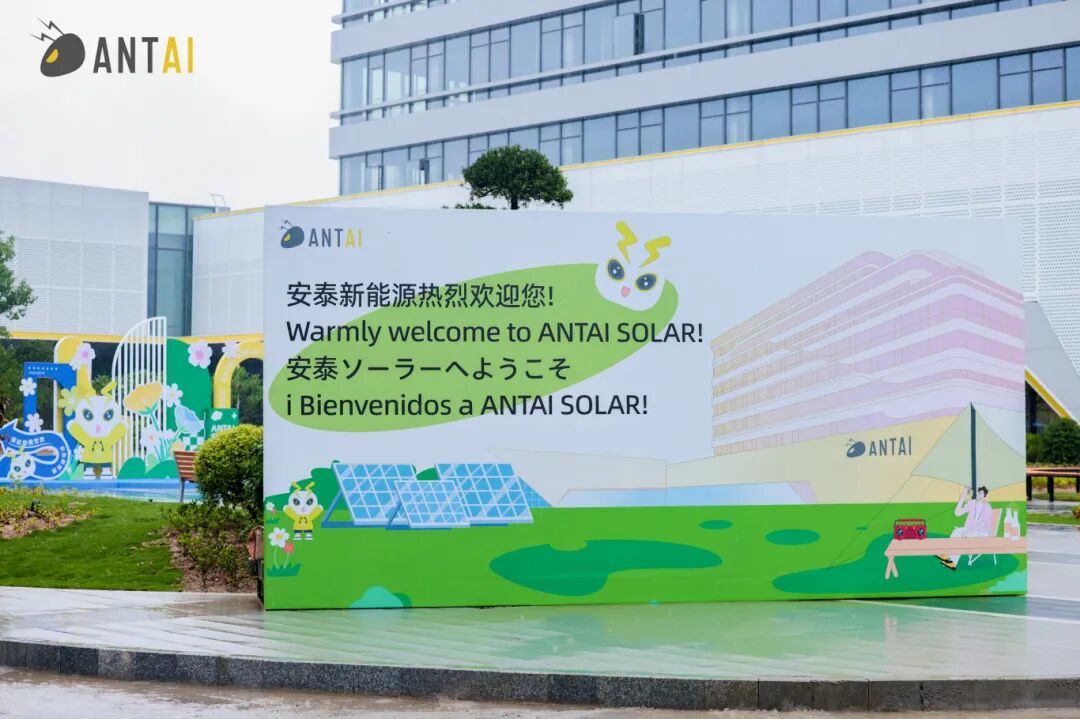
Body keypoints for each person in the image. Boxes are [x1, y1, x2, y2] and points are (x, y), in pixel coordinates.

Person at [938, 486, 994, 570]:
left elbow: (982, 524)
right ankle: (948, 560)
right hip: (970, 530)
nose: (979, 494)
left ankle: (951, 562)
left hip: (982, 532)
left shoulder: (987, 507)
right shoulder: (972, 503)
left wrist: (967, 532)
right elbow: (957, 513)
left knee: (960, 535)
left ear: (985, 495)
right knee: (956, 531)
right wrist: (964, 494)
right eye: (978, 492)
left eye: (981, 493)